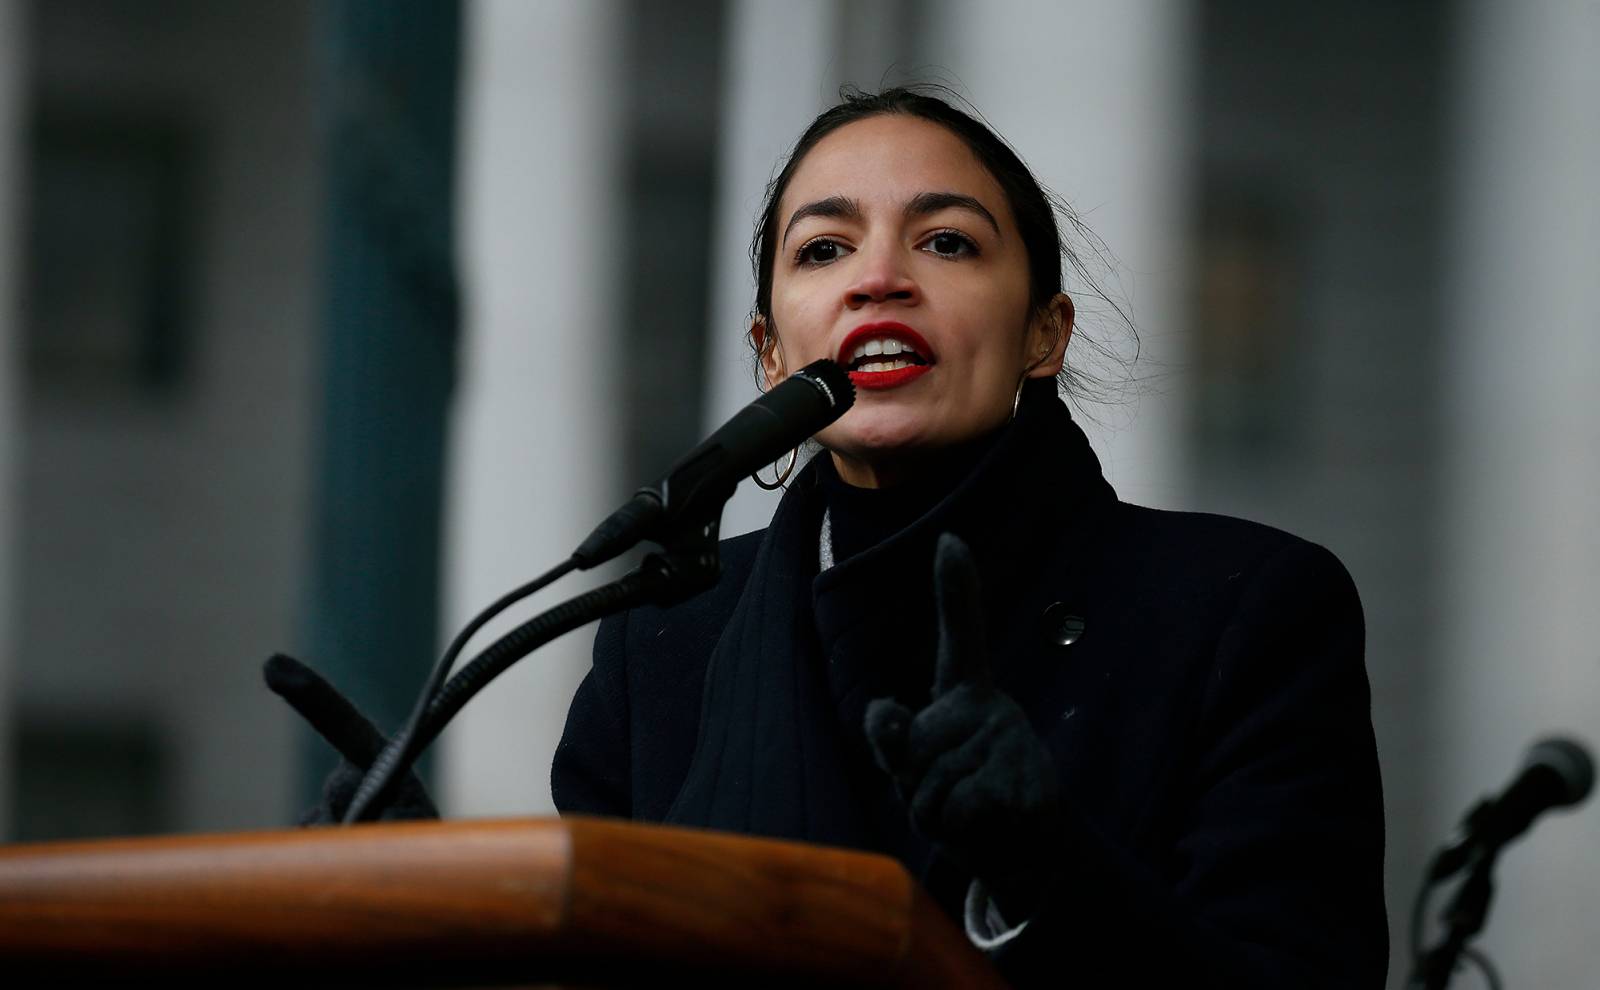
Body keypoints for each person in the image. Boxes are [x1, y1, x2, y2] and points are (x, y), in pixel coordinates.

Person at [549, 87, 1387, 988]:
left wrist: (1046, 869)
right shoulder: (662, 640)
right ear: (771, 355)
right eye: (825, 249)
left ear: (1044, 333)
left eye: (946, 241)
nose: (879, 278)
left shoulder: (1245, 609)